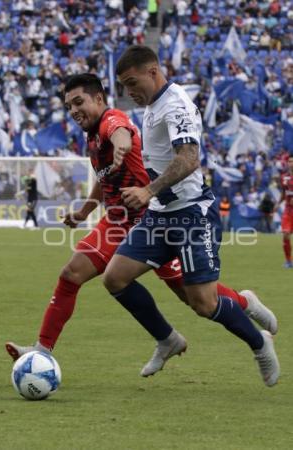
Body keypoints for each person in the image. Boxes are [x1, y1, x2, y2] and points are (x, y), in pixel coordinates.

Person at [6, 74, 277, 375]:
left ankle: (243, 302)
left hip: (152, 217)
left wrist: (122, 145)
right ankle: (43, 350)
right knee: (71, 274)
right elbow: (104, 177)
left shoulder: (112, 119)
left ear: (99, 99)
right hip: (119, 221)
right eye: (68, 106)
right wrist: (84, 212)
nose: (73, 111)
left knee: (193, 296)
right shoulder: (92, 135)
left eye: (79, 102)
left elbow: (121, 131)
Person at [103, 46, 280, 386]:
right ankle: (168, 339)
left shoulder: (177, 104)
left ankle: (260, 343)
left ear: (153, 71)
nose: (129, 92)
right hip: (160, 214)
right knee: (115, 278)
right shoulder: (153, 104)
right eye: (124, 86)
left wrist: (148, 191)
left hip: (191, 214)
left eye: (131, 82)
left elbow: (188, 158)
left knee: (202, 302)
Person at [279, 155, 293, 267]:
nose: (291, 163)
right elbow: (284, 193)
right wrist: (277, 203)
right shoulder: (284, 177)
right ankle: (288, 260)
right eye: (289, 161)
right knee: (285, 234)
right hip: (288, 210)